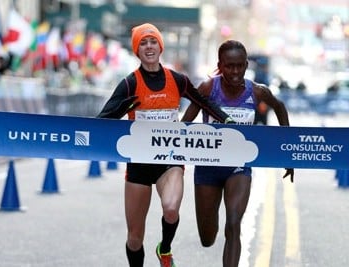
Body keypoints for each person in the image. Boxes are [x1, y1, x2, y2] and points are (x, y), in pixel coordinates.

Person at [97, 23, 233, 267]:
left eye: (152, 42)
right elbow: (101, 123)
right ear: (136, 51)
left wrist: (226, 119)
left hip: (169, 159)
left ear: (160, 46)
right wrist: (120, 110)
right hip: (139, 163)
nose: (148, 47)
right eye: (142, 43)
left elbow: (202, 101)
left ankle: (165, 248)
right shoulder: (130, 83)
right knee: (135, 239)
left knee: (171, 209)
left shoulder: (176, 79)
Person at [181, 40, 294, 267]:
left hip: (239, 167)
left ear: (246, 65)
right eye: (229, 66)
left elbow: (280, 108)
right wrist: (173, 161)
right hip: (207, 168)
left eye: (240, 66)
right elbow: (184, 125)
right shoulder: (206, 89)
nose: (235, 72)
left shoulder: (257, 91)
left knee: (233, 223)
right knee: (207, 238)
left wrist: (287, 154)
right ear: (220, 65)